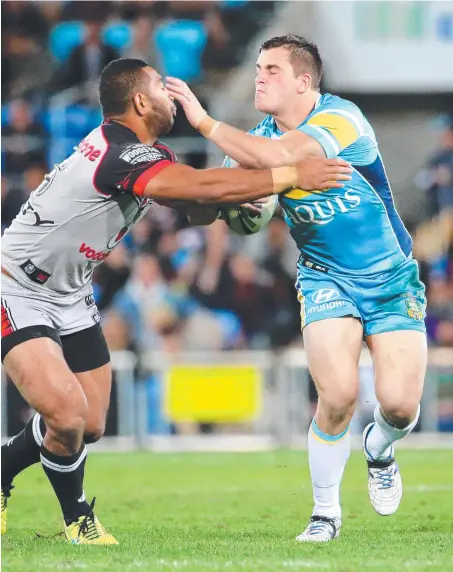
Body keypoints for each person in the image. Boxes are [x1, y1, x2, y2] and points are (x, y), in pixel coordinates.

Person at [0, 57, 350, 545]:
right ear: (140, 102)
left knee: (91, 423)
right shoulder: (118, 154)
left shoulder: (148, 154)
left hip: (72, 292)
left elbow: (195, 205)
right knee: (65, 414)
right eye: (161, 92)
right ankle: (78, 519)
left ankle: (3, 467)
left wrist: (232, 203)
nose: (171, 100)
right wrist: (290, 174)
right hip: (17, 286)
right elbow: (198, 185)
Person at [166, 35, 428, 542]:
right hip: (325, 277)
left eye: (271, 70)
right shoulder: (253, 143)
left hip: (391, 278)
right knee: (337, 394)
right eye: (258, 67)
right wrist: (229, 209)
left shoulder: (340, 119)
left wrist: (202, 121)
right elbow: (223, 206)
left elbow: (285, 154)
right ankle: (325, 513)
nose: (259, 77)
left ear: (304, 82)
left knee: (398, 405)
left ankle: (380, 447)